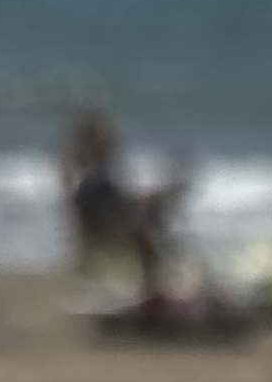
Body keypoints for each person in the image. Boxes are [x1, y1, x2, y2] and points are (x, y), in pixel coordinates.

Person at [58, 112, 182, 302]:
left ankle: (152, 284)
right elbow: (95, 208)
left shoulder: (92, 175)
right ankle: (150, 288)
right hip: (100, 228)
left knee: (149, 212)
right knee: (144, 232)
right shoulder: (92, 177)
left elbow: (112, 202)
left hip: (104, 223)